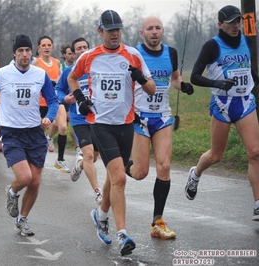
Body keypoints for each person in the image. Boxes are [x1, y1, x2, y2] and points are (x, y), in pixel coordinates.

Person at [68, 10, 156, 255]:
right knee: (119, 178)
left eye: (118, 29)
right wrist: (80, 99)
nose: (115, 33)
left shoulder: (133, 55)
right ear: (100, 31)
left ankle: (101, 214)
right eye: (110, 29)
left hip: (126, 125)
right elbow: (73, 78)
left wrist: (139, 77)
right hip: (100, 124)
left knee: (112, 178)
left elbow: (151, 89)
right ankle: (123, 235)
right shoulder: (89, 56)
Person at [0, 34, 59, 236]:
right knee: (24, 177)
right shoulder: (2, 74)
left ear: (32, 52)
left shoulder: (40, 75)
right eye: (20, 51)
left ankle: (22, 220)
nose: (24, 54)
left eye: (27, 50)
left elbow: (53, 101)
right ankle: (12, 191)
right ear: (14, 53)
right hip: (11, 132)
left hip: (35, 132)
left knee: (35, 181)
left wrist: (49, 117)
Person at [186, 5, 259, 222]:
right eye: (231, 22)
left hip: (245, 102)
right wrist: (217, 82)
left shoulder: (248, 39)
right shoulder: (212, 46)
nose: (236, 26)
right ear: (220, 24)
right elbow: (195, 77)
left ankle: (257, 204)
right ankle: (195, 173)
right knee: (216, 156)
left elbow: (248, 69)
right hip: (222, 104)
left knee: (255, 152)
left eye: (238, 21)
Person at [125, 16, 194, 239]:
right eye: (149, 28)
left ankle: (157, 222)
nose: (154, 32)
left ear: (162, 31)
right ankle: (124, 166)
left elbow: (174, 77)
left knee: (164, 166)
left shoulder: (171, 52)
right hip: (140, 118)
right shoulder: (133, 54)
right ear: (141, 33)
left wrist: (182, 85)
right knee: (141, 173)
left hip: (162, 117)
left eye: (158, 28)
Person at [57, 37, 103, 205]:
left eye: (85, 47)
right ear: (74, 53)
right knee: (89, 154)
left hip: (97, 118)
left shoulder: (98, 69)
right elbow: (59, 91)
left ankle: (80, 165)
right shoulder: (69, 72)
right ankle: (98, 192)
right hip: (79, 119)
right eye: (78, 48)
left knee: (95, 156)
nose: (82, 50)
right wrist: (65, 98)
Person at [32, 35, 70, 173]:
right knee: (39, 132)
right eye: (43, 45)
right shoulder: (36, 63)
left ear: (52, 47)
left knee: (63, 127)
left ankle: (60, 160)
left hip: (54, 101)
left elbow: (60, 82)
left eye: (49, 45)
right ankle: (34, 158)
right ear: (39, 48)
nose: (47, 47)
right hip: (40, 102)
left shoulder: (57, 63)